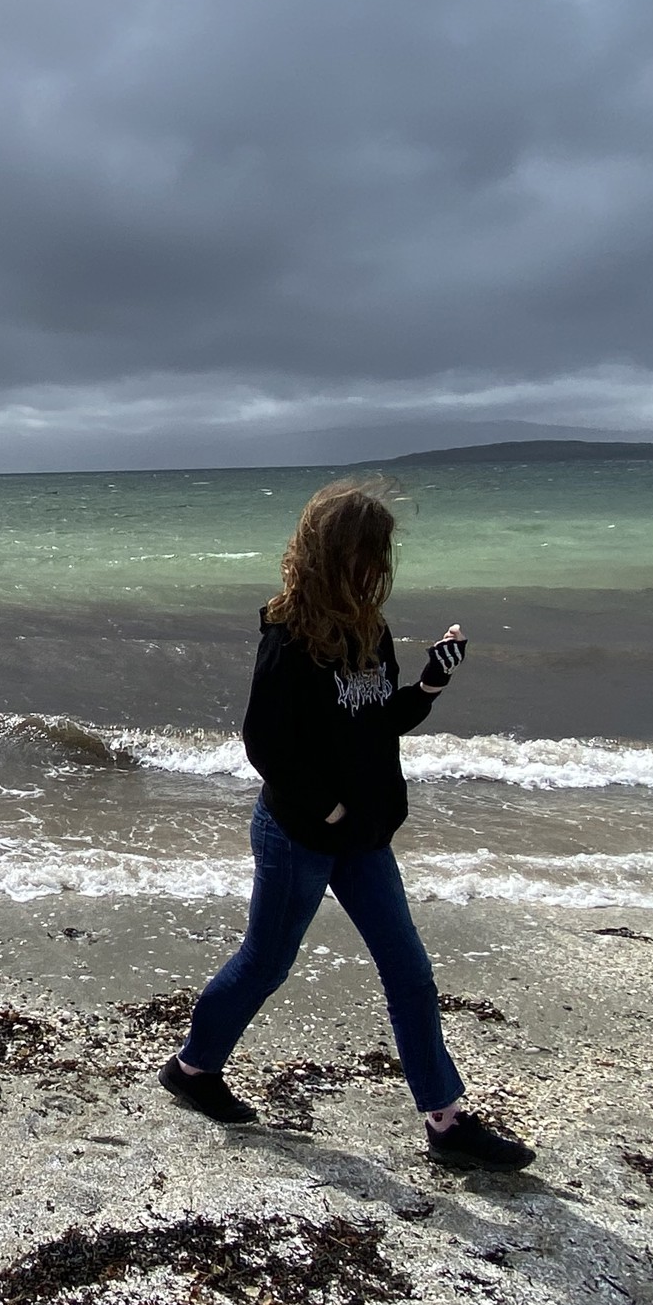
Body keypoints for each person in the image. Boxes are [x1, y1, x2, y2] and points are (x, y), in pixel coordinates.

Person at [158, 479, 533, 1171]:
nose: (380, 567)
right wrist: (327, 807)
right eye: (371, 553)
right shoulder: (290, 638)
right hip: (299, 836)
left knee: (409, 971)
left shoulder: (371, 629)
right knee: (266, 963)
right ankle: (192, 1070)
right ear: (337, 554)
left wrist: (431, 683)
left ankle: (446, 1123)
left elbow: (381, 721)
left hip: (364, 839)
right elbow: (264, 744)